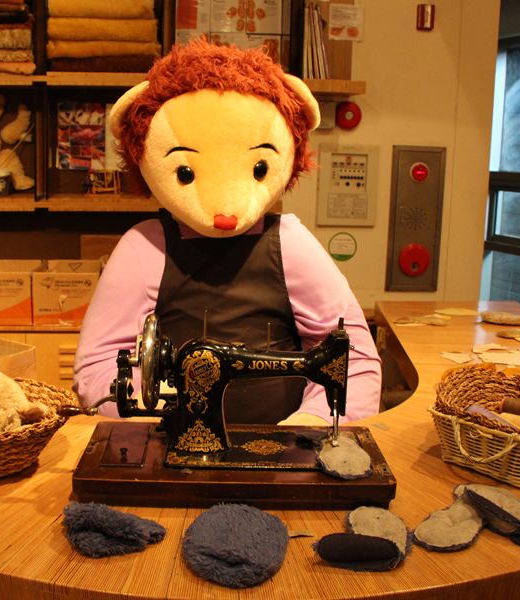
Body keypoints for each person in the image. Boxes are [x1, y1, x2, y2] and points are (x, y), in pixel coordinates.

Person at [73, 40, 381, 426]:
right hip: (169, 444)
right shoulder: (144, 248)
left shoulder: (292, 245)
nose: (224, 212)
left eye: (258, 169)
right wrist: (149, 414)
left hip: (286, 443)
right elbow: (100, 365)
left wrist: (312, 424)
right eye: (186, 172)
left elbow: (354, 358)